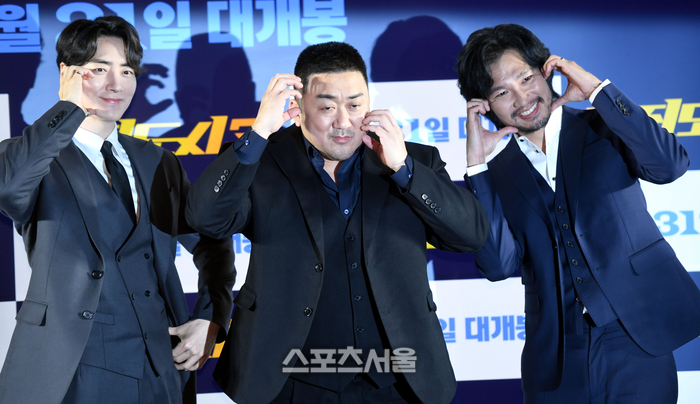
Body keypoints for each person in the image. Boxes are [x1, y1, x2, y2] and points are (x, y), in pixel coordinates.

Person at [186, 42, 488, 403]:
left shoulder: (413, 160)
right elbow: (206, 219)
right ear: (298, 107)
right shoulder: (258, 160)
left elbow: (470, 236)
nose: (343, 122)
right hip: (289, 380)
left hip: (398, 381)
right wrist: (259, 133)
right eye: (327, 107)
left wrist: (405, 170)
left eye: (355, 105)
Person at [457, 23, 700, 403]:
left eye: (526, 78)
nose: (522, 98)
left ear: (547, 71)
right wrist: (476, 166)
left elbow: (670, 166)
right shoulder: (495, 174)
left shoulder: (604, 126)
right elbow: (498, 265)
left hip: (637, 338)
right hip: (556, 357)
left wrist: (596, 91)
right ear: (485, 105)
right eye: (502, 92)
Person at [0, 16, 235, 404]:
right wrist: (69, 107)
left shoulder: (157, 160)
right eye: (99, 69)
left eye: (126, 71)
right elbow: (10, 189)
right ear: (66, 73)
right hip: (75, 370)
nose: (116, 84)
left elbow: (212, 239)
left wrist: (210, 318)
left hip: (162, 367)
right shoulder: (28, 156)